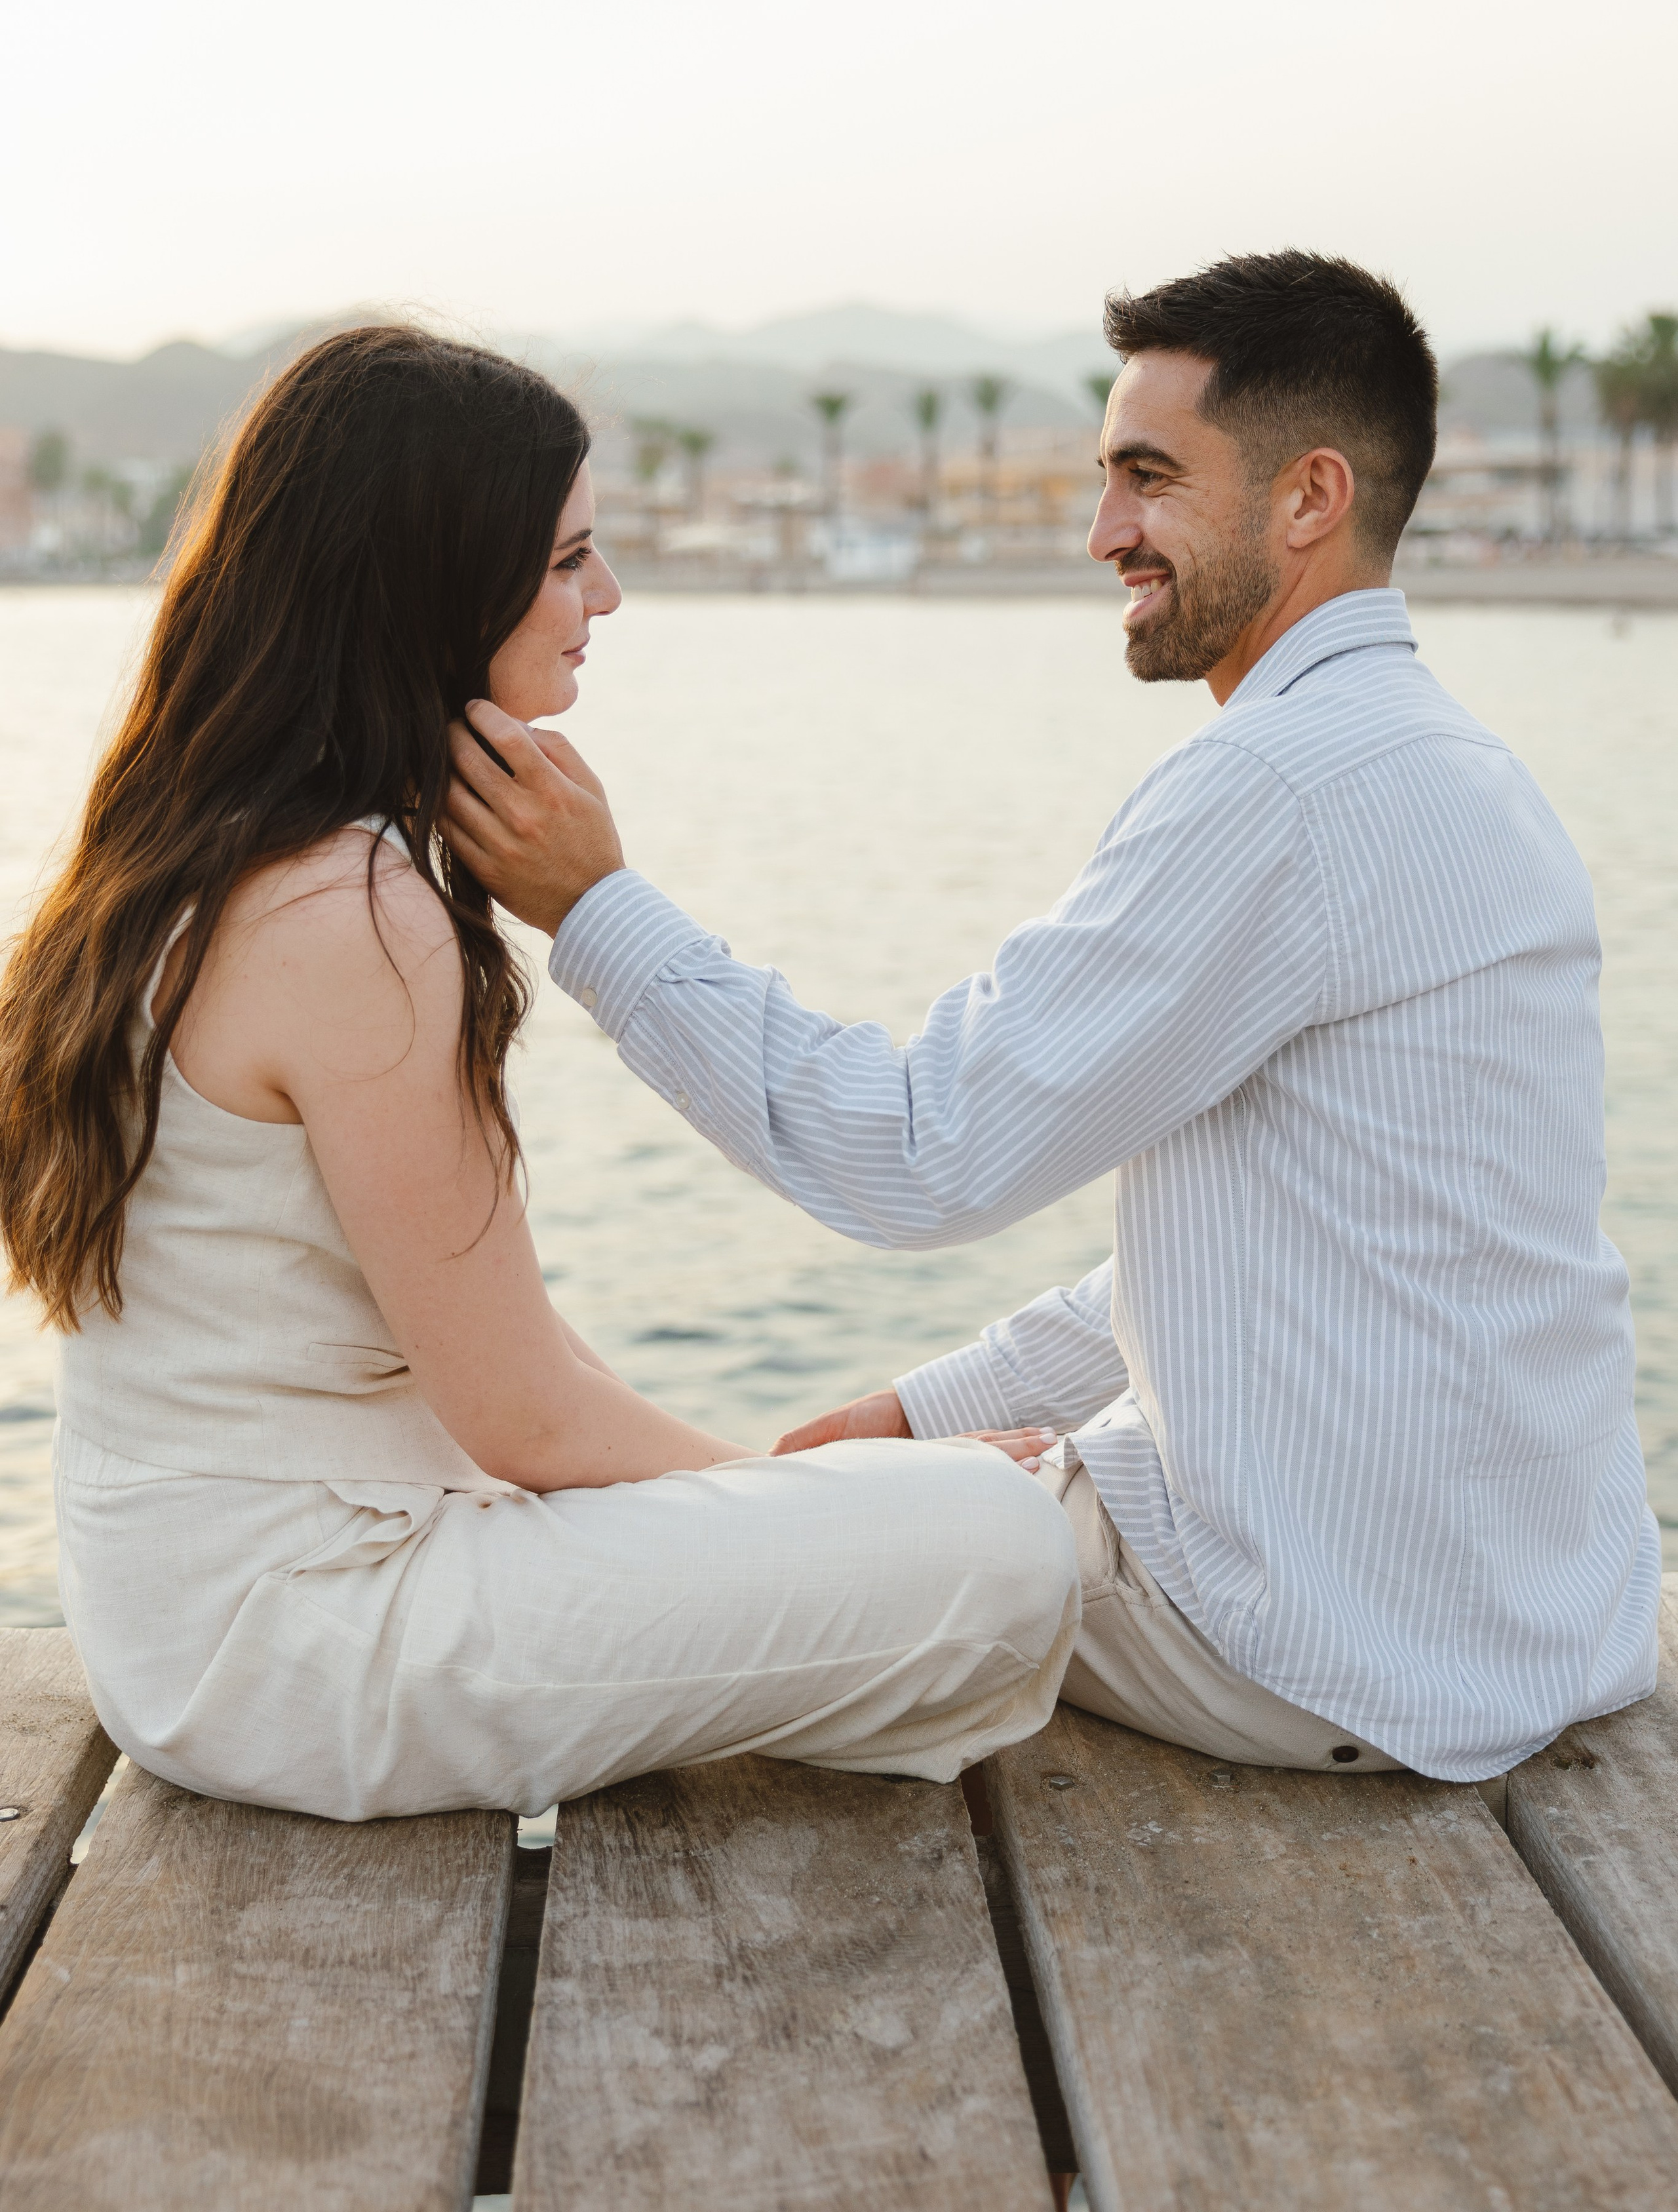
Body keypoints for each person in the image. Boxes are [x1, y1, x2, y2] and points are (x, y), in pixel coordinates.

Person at [443, 252, 1659, 1785]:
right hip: (1540, 1618)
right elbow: (1292, 1235)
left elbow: (911, 1153)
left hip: (1323, 1645)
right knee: (904, 1474)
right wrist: (915, 1409)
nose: (1101, 535)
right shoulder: (1460, 772)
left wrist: (596, 910)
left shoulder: (1270, 788)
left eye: (1146, 481)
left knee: (707, 1566)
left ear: (1308, 499)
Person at [0, 324, 1079, 1823]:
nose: (606, 596)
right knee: (1008, 1542)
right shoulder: (349, 911)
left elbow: (525, 1377)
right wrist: (825, 1503)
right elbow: (528, 1422)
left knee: (942, 1516)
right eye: (568, 559)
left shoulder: (193, 857)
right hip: (303, 1650)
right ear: (438, 583)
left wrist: (797, 1501)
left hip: (208, 1631)